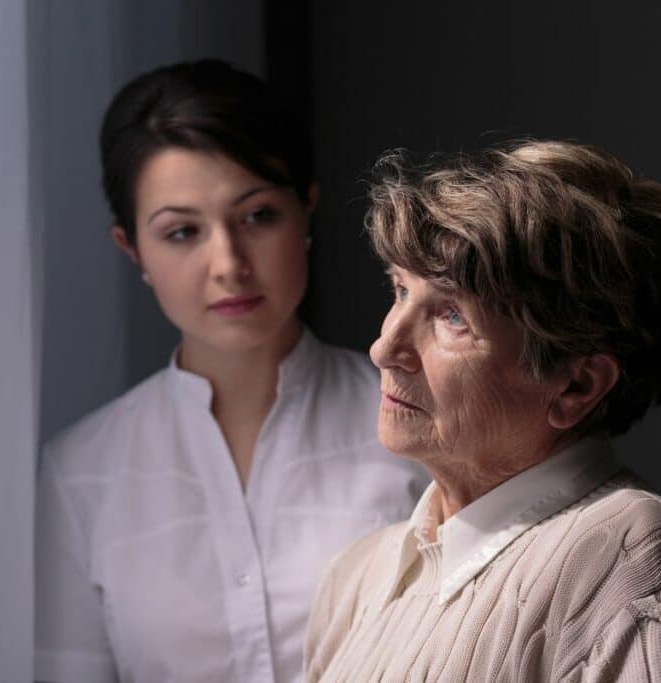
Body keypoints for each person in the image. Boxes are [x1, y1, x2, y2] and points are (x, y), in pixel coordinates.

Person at [303, 140, 661, 681]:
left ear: (576, 385)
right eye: (400, 290)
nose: (385, 348)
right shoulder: (354, 579)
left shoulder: (637, 560)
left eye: (453, 316)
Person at [34, 60, 428, 683]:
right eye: (181, 232)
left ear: (306, 210)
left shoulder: (422, 426)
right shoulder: (81, 473)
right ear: (132, 249)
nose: (228, 264)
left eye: (258, 216)